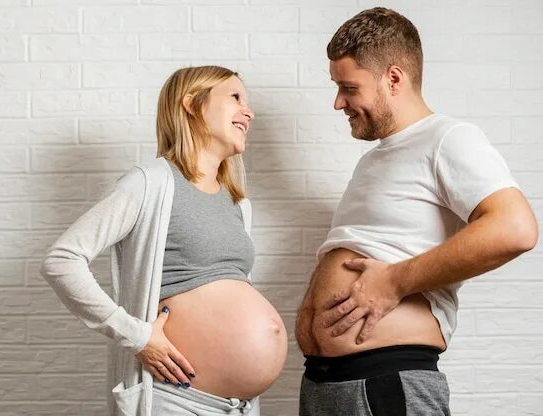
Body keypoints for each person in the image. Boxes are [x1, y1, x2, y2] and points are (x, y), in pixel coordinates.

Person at [295, 7, 538, 416]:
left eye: (348, 87)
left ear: (393, 78)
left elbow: (515, 228)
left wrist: (393, 281)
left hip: (387, 382)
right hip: (328, 385)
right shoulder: (375, 159)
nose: (339, 102)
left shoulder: (448, 138)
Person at [40, 66, 287, 416]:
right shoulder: (150, 183)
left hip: (238, 407)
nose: (249, 111)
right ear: (192, 104)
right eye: (235, 97)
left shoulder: (237, 203)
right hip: (176, 401)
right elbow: (62, 260)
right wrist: (137, 336)